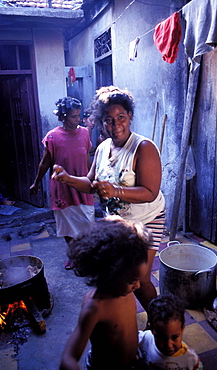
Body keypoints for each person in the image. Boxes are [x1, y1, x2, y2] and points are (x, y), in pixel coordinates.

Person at [52, 86, 165, 309]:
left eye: (120, 117)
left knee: (140, 279)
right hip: (119, 223)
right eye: (109, 120)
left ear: (129, 116)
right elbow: (91, 184)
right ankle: (124, 321)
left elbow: (150, 192)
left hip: (148, 219)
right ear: (102, 123)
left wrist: (115, 191)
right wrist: (67, 179)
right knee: (121, 275)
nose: (115, 125)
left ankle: (158, 319)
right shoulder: (103, 148)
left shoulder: (143, 148)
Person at [59, 216, 150, 370]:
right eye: (132, 280)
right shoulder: (94, 308)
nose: (138, 285)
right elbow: (69, 358)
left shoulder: (124, 289)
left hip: (134, 361)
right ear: (110, 274)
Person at [30, 97, 94, 269]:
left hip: (82, 186)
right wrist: (36, 183)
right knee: (67, 227)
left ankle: (87, 254)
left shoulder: (84, 133)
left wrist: (91, 178)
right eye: (74, 116)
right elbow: (45, 163)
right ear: (63, 117)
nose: (78, 120)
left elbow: (87, 157)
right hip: (62, 189)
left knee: (87, 222)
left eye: (79, 115)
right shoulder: (52, 137)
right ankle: (74, 254)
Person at [138, 294, 203, 369]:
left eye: (174, 337)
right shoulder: (144, 338)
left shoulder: (190, 360)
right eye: (161, 338)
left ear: (182, 329)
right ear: (151, 329)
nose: (168, 345)